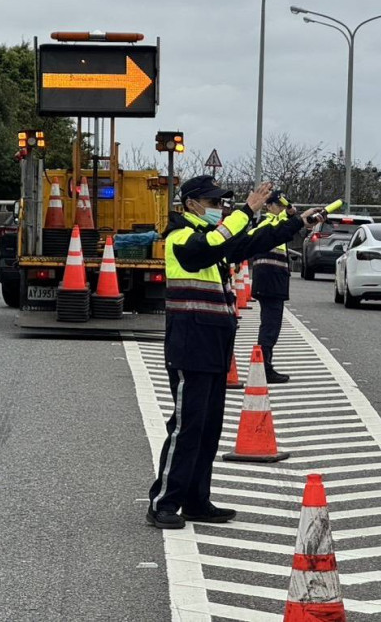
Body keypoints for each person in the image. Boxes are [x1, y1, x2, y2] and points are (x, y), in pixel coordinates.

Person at [146, 175, 317, 530]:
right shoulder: (181, 238)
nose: (219, 208)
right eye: (212, 203)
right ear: (191, 204)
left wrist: (296, 223)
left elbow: (254, 241)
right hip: (190, 346)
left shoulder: (214, 239)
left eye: (221, 203)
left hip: (214, 346)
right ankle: (164, 502)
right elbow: (211, 245)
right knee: (187, 427)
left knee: (208, 429)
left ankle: (196, 500)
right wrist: (247, 210)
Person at [248, 192, 301, 383]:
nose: (281, 209)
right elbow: (281, 226)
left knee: (271, 325)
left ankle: (265, 365)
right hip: (269, 282)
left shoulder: (275, 223)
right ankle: (264, 367)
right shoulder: (267, 223)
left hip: (274, 282)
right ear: (269, 206)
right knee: (270, 326)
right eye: (278, 205)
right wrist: (291, 216)